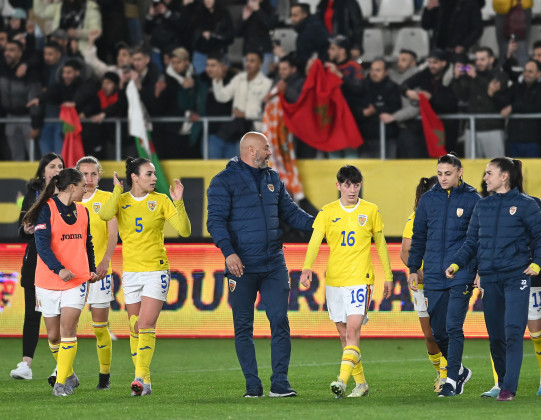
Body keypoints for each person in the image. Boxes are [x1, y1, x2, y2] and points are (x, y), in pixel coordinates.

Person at [206, 132, 314, 398]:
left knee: (279, 320)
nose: (270, 153)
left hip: (274, 264)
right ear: (251, 151)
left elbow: (292, 214)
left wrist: (324, 225)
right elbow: (215, 222)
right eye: (266, 149)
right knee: (244, 326)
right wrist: (229, 253)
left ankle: (280, 383)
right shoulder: (223, 181)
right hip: (240, 266)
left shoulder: (273, 179)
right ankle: (252, 386)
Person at [446, 157, 541, 401]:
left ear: (504, 176)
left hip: (517, 277)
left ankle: (508, 389)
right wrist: (456, 263)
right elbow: (472, 242)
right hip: (490, 278)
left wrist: (537, 263)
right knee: (496, 337)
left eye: (489, 173)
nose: (485, 178)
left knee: (514, 332)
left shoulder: (526, 205)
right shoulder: (483, 206)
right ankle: (503, 381)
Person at [98, 157, 191, 396]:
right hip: (131, 272)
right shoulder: (122, 200)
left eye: (154, 174)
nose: (154, 178)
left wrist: (178, 203)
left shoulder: (160, 200)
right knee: (134, 326)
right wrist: (117, 190)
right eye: (149, 174)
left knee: (146, 324)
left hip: (156, 270)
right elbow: (105, 215)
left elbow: (184, 231)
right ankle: (145, 382)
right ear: (135, 177)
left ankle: (138, 377)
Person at [300, 165, 392, 398]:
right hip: (334, 281)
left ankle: (341, 381)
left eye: (356, 185)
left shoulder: (370, 211)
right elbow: (314, 241)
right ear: (338, 186)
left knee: (352, 330)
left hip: (360, 280)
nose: (352, 190)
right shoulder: (327, 212)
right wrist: (307, 268)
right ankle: (360, 384)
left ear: (361, 185)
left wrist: (388, 275)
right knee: (344, 335)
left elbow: (380, 244)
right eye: (348, 185)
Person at [481, 184, 541, 398]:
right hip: (499, 276)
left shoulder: (537, 206)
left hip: (531, 276)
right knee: (500, 333)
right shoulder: (491, 207)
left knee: (536, 332)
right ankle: (499, 384)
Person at [407, 153, 481, 397]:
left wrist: (478, 271)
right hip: (434, 275)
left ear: (459, 172)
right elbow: (418, 238)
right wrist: (413, 269)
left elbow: (479, 240)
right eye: (439, 174)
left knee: (453, 326)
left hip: (462, 273)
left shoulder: (473, 199)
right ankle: (459, 369)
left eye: (447, 173)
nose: (443, 178)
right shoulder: (428, 200)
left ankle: (450, 380)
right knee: (437, 332)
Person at [22, 168, 99, 396]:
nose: (87, 189)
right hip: (48, 280)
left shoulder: (83, 212)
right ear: (72, 186)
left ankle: (61, 382)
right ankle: (70, 374)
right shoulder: (46, 209)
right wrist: (59, 269)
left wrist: (92, 269)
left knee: (68, 330)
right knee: (54, 336)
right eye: (83, 185)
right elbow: (42, 246)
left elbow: (88, 244)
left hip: (76, 280)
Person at [10, 153, 64, 381]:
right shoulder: (32, 195)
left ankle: (62, 365)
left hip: (60, 261)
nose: (57, 170)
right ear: (43, 170)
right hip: (34, 259)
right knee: (32, 314)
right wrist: (27, 231)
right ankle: (26, 365)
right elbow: (21, 230)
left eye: (61, 166)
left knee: (60, 315)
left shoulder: (68, 193)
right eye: (52, 166)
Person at [400, 176, 448, 392]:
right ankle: (440, 371)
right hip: (423, 284)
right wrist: (419, 273)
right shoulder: (415, 219)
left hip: (446, 282)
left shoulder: (450, 215)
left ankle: (447, 376)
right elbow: (405, 251)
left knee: (445, 330)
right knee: (429, 335)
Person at [75, 156, 118, 390]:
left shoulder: (107, 200)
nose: (88, 179)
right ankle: (65, 374)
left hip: (99, 273)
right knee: (65, 329)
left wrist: (104, 262)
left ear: (99, 176)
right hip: (73, 274)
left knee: (100, 327)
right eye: (84, 174)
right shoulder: (68, 200)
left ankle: (104, 377)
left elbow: (113, 235)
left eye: (93, 174)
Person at [452, 47, 509, 158]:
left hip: (493, 128)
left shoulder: (500, 75)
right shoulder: (471, 76)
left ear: (491, 60)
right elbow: (462, 97)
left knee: (497, 167)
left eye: (482, 59)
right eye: (477, 60)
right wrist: (457, 78)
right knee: (471, 168)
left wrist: (476, 77)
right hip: (473, 128)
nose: (478, 63)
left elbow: (492, 90)